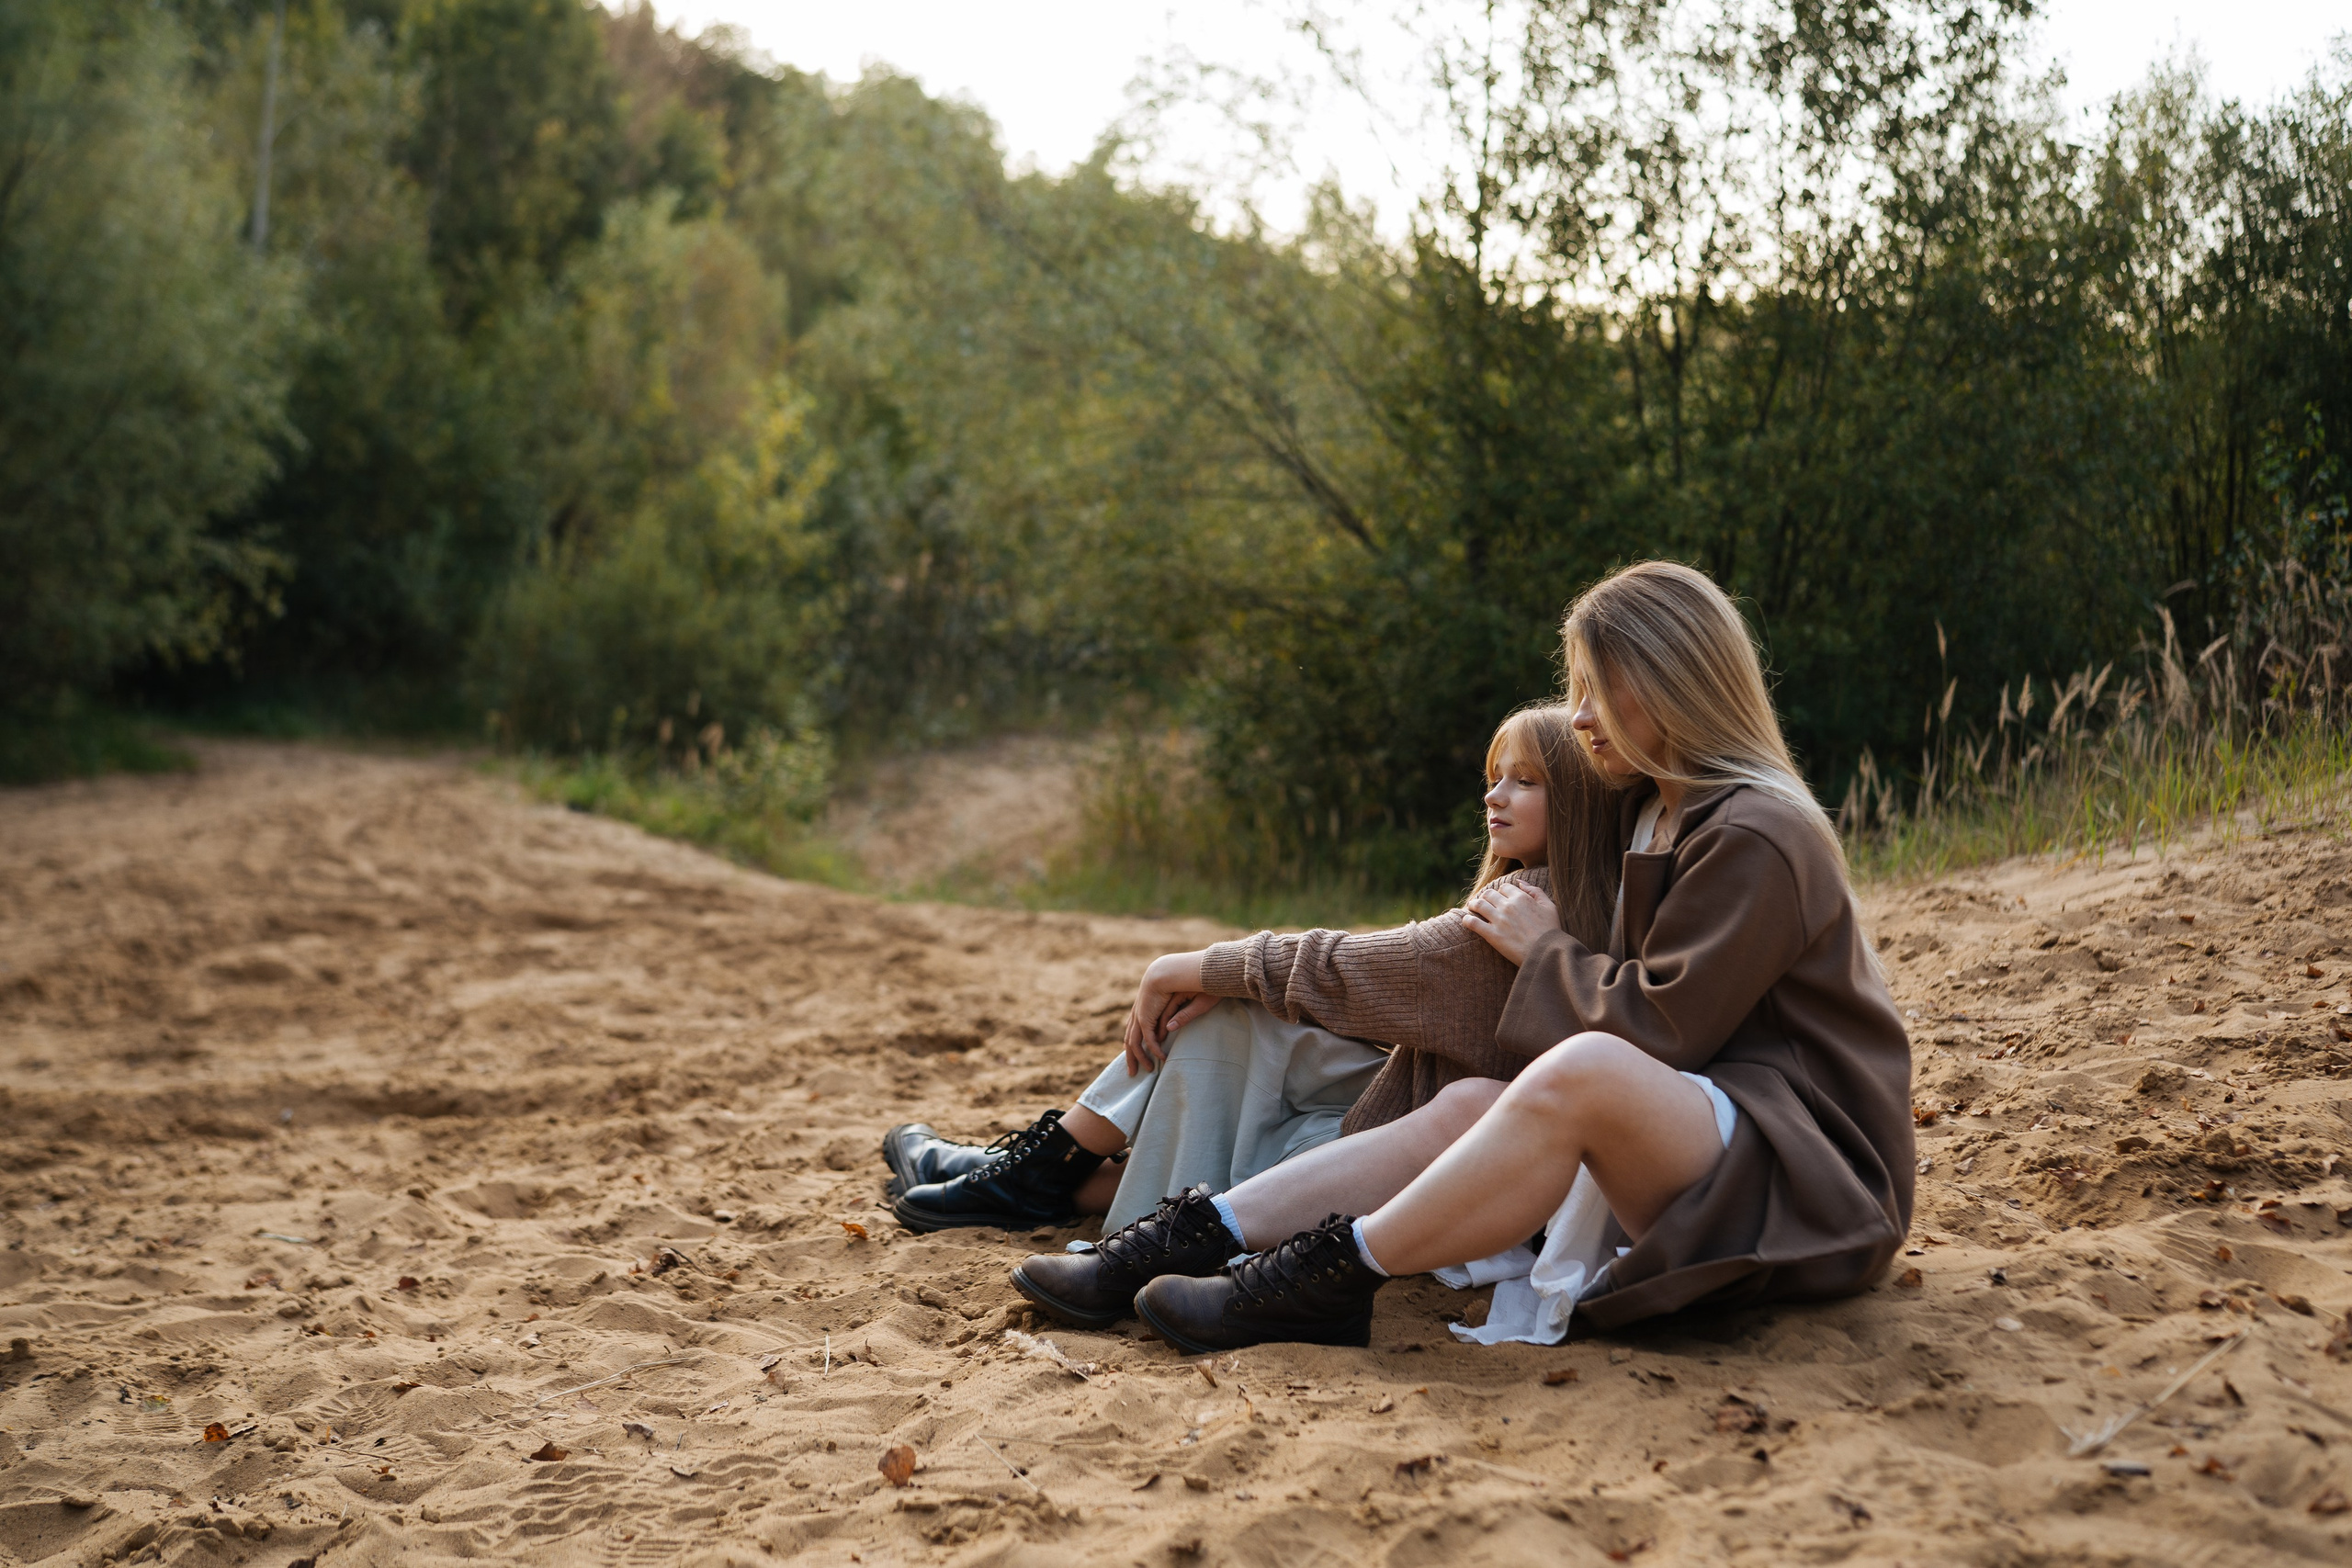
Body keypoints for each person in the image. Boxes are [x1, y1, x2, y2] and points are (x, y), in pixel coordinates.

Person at [1021, 559, 1914, 1351]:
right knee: (1472, 1105)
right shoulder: (1655, 810)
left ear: (1674, 682)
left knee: (1589, 1069)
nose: (1579, 715)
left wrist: (1544, 949)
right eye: (1576, 687)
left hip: (1803, 1171)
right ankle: (1184, 1240)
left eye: (1598, 688)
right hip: (1698, 1136)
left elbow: (1663, 1034)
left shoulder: (1757, 830)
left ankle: (1327, 1282)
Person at [882, 706, 1619, 1300]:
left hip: (1443, 1169)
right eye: (1495, 777)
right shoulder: (1582, 906)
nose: (1494, 796)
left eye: (1525, 781)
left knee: (1238, 1014)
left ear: (1580, 801)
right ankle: (1041, 1170)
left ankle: (1043, 1176)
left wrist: (1188, 964)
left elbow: (1342, 968)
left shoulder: (1513, 914)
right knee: (1242, 1018)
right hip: (1447, 1124)